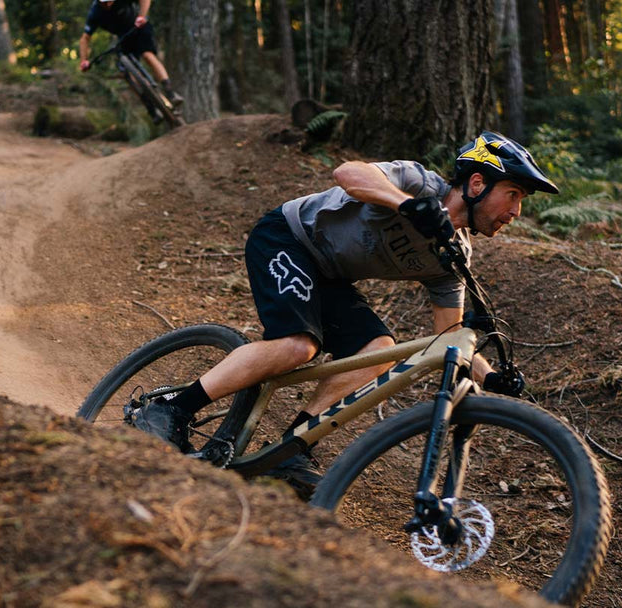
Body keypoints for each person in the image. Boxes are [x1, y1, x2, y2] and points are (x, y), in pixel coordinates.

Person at [132, 131, 559, 497]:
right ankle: (171, 410)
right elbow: (349, 173)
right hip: (288, 237)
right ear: (478, 183)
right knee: (297, 346)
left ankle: (291, 450)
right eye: (513, 195)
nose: (516, 212)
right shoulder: (417, 183)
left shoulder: (451, 255)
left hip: (330, 278)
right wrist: (406, 205)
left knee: (379, 351)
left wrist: (490, 378)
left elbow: (450, 335)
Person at [78, 0, 184, 107]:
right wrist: (84, 60)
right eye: (104, 3)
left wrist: (142, 16)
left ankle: (170, 92)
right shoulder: (95, 13)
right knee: (128, 73)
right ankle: (150, 102)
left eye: (110, 1)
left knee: (147, 55)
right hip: (124, 37)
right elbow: (85, 38)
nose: (108, 4)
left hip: (138, 26)